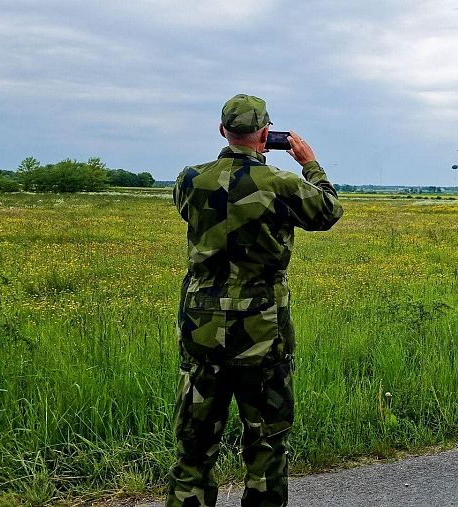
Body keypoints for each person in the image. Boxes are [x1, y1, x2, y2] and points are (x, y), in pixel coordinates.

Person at [167, 94, 343, 507]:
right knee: (266, 445)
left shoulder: (190, 179)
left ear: (222, 130)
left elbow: (189, 210)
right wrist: (310, 164)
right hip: (262, 331)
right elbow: (328, 212)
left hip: (202, 329)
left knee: (193, 448)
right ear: (266, 134)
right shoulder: (281, 184)